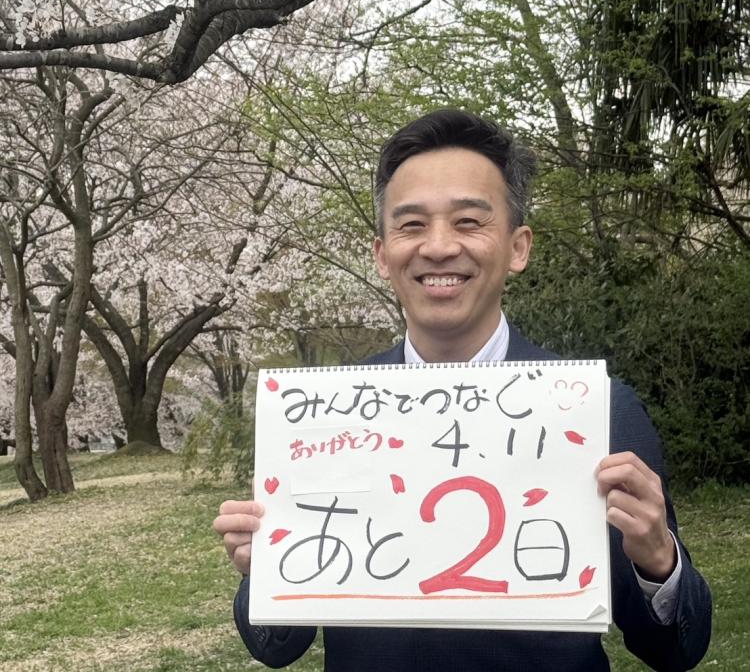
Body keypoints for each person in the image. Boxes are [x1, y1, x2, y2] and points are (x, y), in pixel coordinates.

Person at [214, 109, 712, 671]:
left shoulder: (598, 410)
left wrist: (658, 561)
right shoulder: (324, 415)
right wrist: (264, 567)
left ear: (518, 247)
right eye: (411, 225)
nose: (438, 246)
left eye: (469, 221)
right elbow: (277, 647)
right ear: (382, 254)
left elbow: (676, 651)